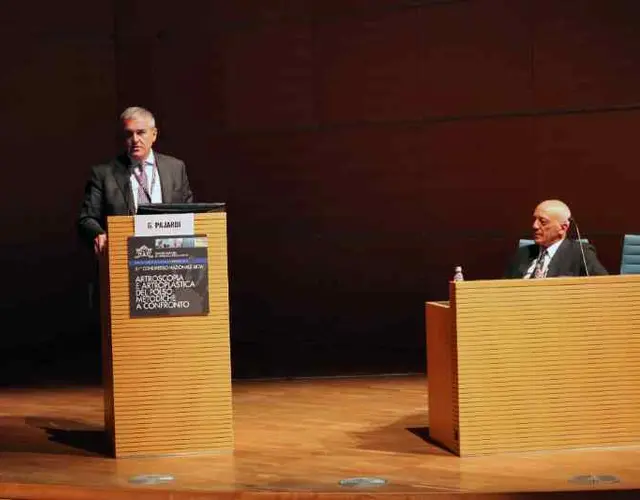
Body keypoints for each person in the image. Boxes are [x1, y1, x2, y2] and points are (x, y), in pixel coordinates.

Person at [78, 106, 194, 254]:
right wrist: (98, 234)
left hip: (169, 253)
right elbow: (87, 219)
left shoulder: (175, 168)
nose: (135, 140)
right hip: (125, 253)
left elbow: (190, 213)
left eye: (141, 132)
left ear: (154, 134)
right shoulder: (103, 174)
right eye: (129, 134)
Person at [504, 199, 608, 278]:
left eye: (543, 222)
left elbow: (602, 285)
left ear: (563, 228)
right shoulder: (523, 253)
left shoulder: (580, 253)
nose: (534, 226)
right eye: (535, 220)